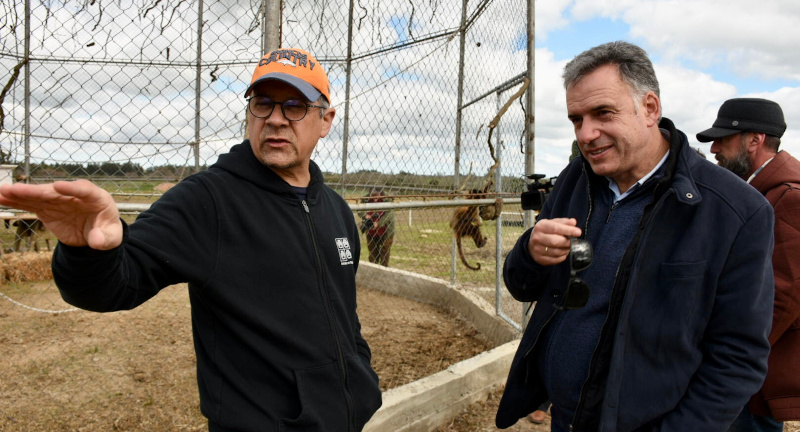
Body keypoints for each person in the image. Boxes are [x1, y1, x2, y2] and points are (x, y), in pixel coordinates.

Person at [0, 47, 382, 432]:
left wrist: (360, 371)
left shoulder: (335, 210)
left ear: (325, 119)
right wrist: (87, 250)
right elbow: (114, 286)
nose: (276, 120)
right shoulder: (209, 201)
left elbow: (344, 314)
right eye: (263, 103)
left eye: (295, 106)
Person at [495, 41, 775, 432]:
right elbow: (521, 285)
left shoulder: (734, 211)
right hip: (567, 417)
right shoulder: (576, 179)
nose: (586, 134)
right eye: (576, 119)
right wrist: (529, 251)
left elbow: (737, 357)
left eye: (602, 113)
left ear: (649, 108)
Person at [697, 97, 800, 431]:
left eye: (723, 139)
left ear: (755, 140)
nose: (714, 149)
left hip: (752, 374)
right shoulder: (759, 192)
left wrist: (730, 359)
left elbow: (783, 295)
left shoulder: (788, 197)